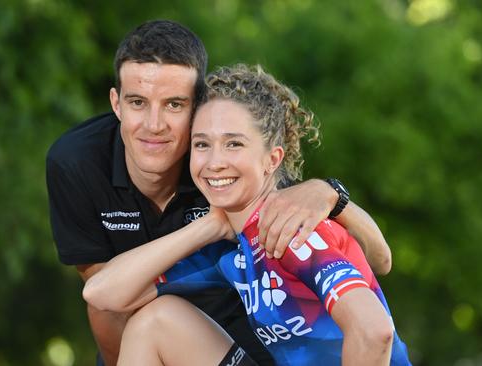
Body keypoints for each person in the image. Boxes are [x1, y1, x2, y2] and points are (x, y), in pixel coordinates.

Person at [47, 20, 392, 366]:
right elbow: (101, 296)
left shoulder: (280, 220)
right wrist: (211, 226)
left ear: (195, 109)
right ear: (116, 103)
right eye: (138, 102)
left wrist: (331, 194)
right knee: (152, 319)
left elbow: (378, 276)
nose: (154, 124)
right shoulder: (79, 162)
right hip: (195, 339)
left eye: (173, 105)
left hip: (252, 342)